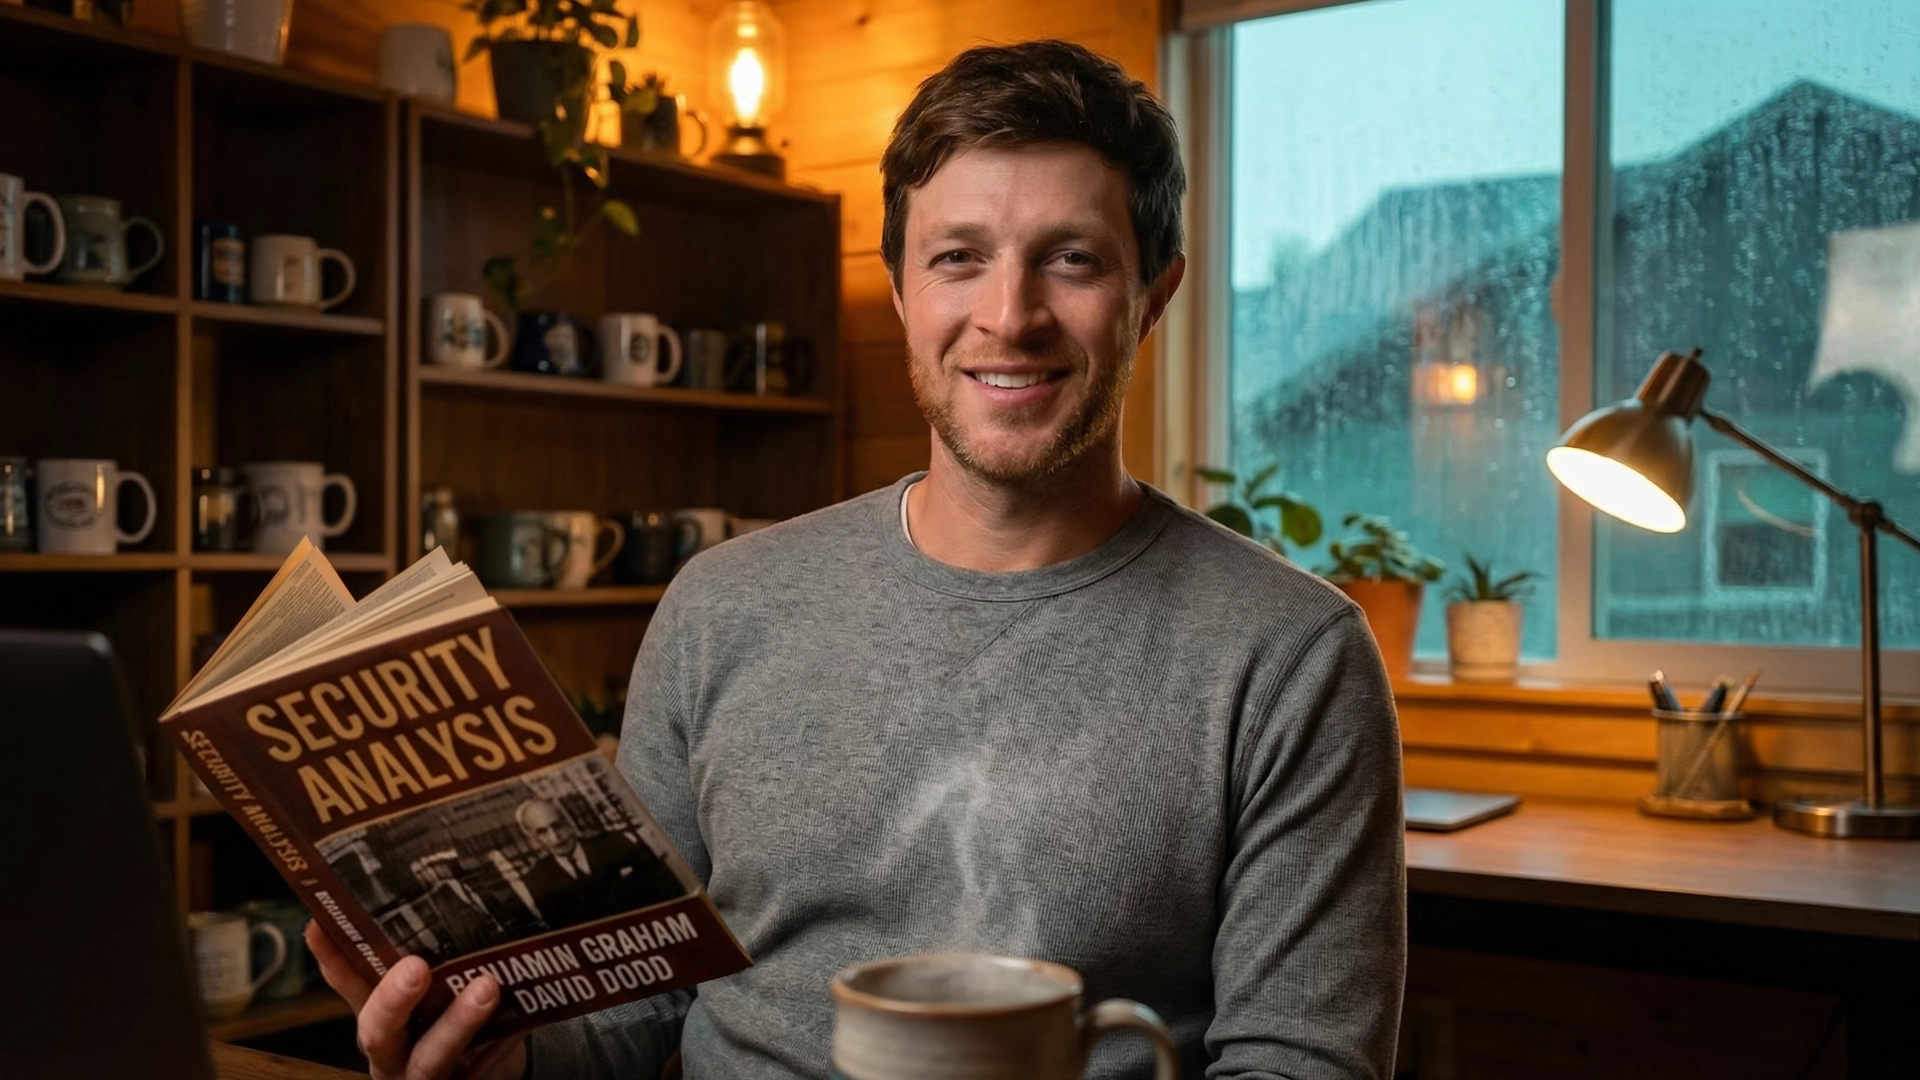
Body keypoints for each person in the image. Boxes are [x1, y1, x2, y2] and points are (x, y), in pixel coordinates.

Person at [311, 38, 1405, 1080]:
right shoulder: (719, 606)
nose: (1009, 314)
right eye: (958, 259)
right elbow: (638, 1012)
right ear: (900, 291)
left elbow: (1299, 1062)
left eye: (1071, 260)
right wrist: (507, 1060)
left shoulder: (1289, 654)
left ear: (1153, 295)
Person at [512, 798, 686, 930]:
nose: (555, 838)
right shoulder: (536, 881)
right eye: (542, 832)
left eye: (557, 826)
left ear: (569, 822)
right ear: (532, 839)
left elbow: (667, 888)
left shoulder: (615, 843)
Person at [407, 850, 505, 963]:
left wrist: (490, 918)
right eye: (417, 873)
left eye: (423, 870)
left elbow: (473, 901)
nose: (422, 875)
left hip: (473, 926)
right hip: (459, 936)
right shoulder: (427, 898)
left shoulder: (450, 884)